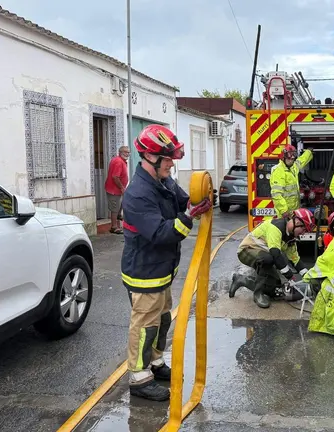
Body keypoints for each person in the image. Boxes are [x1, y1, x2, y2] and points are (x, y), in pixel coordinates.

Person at [121, 125, 213, 401]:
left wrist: (202, 197)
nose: (172, 164)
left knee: (161, 320)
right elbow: (162, 234)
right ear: (150, 157)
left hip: (161, 271)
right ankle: (139, 377)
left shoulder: (163, 182)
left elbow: (182, 199)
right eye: (167, 159)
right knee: (145, 324)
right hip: (144, 273)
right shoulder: (138, 193)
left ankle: (156, 362)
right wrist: (189, 217)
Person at [229, 208, 315, 308]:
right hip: (247, 250)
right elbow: (275, 253)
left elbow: (295, 259)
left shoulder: (291, 237)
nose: (303, 233)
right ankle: (258, 294)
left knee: (275, 288)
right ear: (296, 222)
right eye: (304, 229)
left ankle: (241, 280)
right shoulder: (276, 227)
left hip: (264, 254)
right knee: (268, 259)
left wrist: (309, 277)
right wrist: (288, 275)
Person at [270, 144, 313, 218]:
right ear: (283, 158)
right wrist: (284, 211)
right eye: (289, 158)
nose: (292, 160)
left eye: (293, 158)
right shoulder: (279, 171)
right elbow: (276, 194)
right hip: (285, 214)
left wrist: (308, 152)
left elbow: (301, 161)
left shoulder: (292, 167)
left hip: (294, 212)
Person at [105, 145, 130, 234]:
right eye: (125, 152)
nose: (128, 154)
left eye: (128, 152)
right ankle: (114, 227)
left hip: (118, 189)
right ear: (120, 153)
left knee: (122, 202)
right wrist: (122, 187)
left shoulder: (120, 161)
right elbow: (115, 177)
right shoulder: (118, 162)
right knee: (114, 208)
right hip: (113, 189)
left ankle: (119, 215)